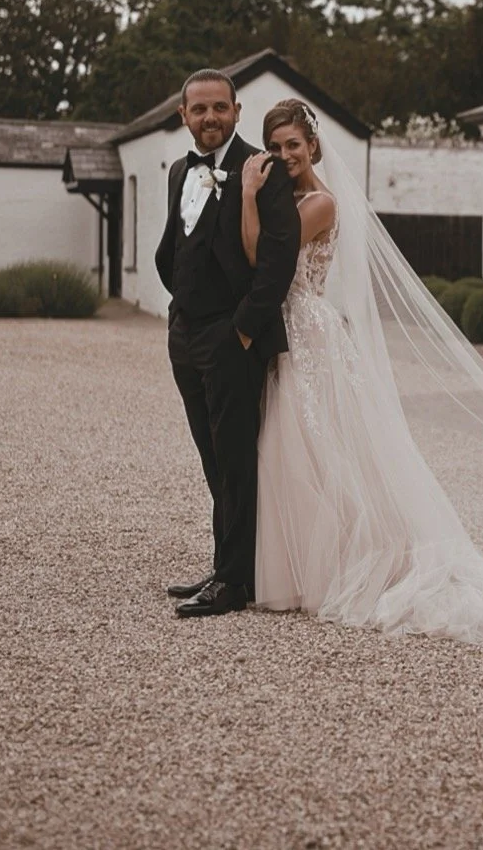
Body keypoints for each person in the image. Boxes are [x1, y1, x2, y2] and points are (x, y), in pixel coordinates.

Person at [235, 99, 483, 648]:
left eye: (295, 144)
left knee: (314, 446)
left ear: (313, 146)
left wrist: (245, 196)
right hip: (284, 328)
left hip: (306, 332)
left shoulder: (319, 204)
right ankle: (291, 566)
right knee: (293, 448)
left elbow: (262, 258)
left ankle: (333, 568)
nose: (286, 154)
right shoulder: (283, 197)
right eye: (277, 145)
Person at [155, 69, 301, 618]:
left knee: (238, 456)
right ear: (184, 116)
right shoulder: (178, 172)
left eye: (220, 108)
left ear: (237, 111)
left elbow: (277, 261)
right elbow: (175, 251)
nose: (210, 118)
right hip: (185, 335)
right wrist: (180, 317)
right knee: (212, 455)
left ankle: (236, 583)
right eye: (200, 110)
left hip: (233, 336)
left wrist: (240, 330)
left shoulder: (263, 169)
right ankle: (227, 563)